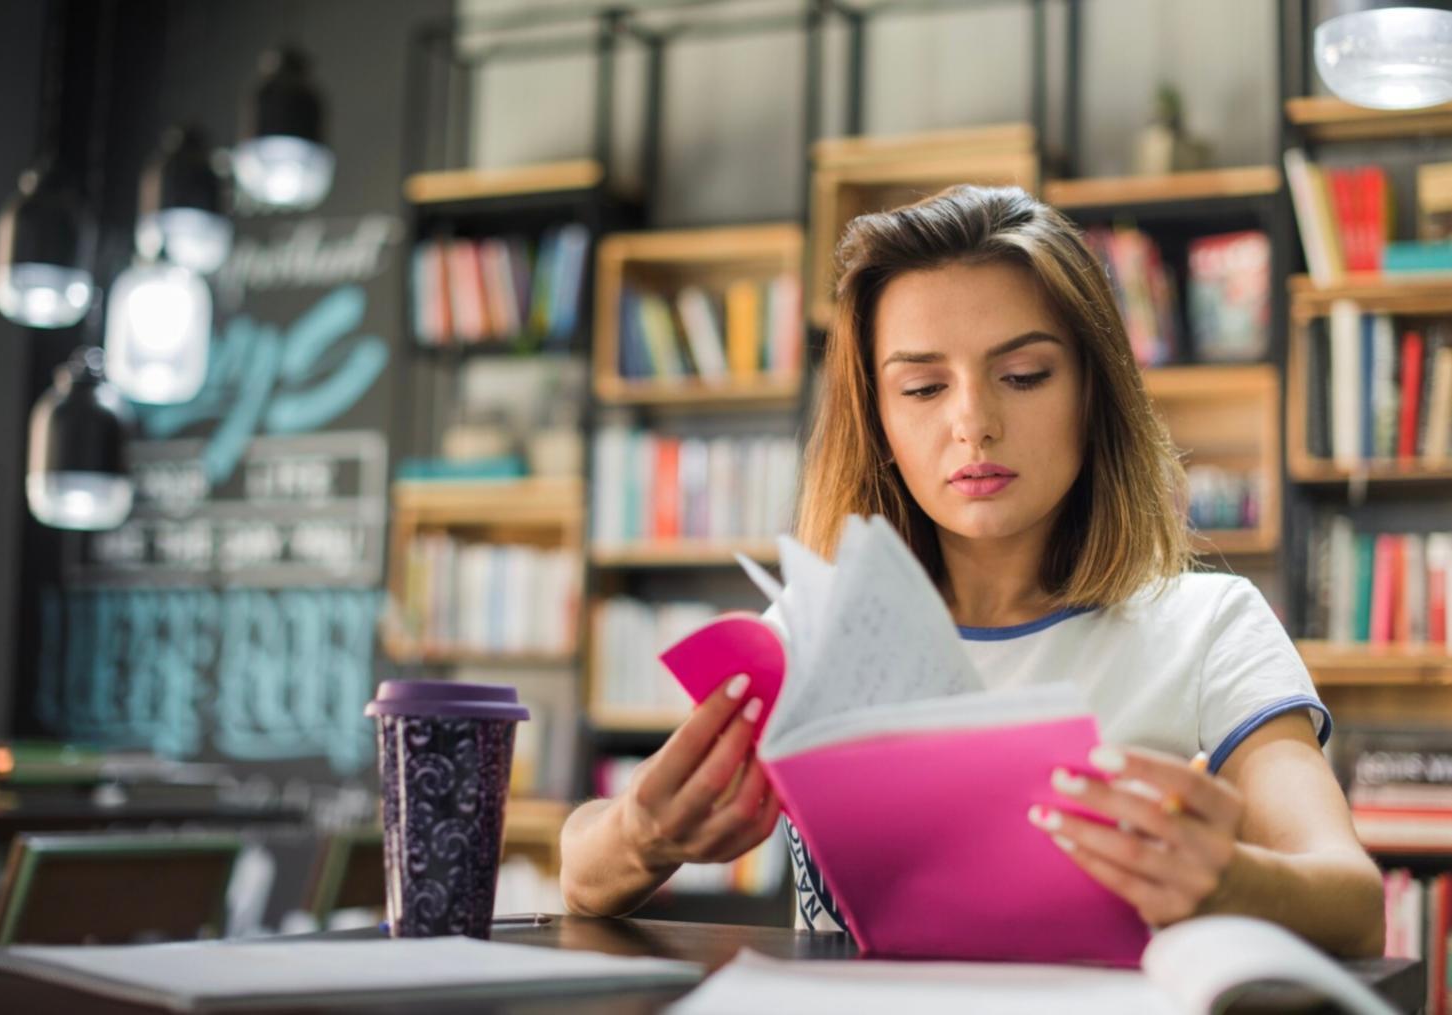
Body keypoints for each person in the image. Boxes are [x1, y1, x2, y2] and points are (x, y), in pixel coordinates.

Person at [558, 185, 1384, 958]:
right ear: (876, 416)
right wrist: (640, 833)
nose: (973, 424)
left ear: (1093, 391)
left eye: (1022, 376)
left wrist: (1227, 880)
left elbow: (1353, 904)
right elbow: (581, 870)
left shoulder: (1209, 626)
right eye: (921, 387)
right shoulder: (809, 633)